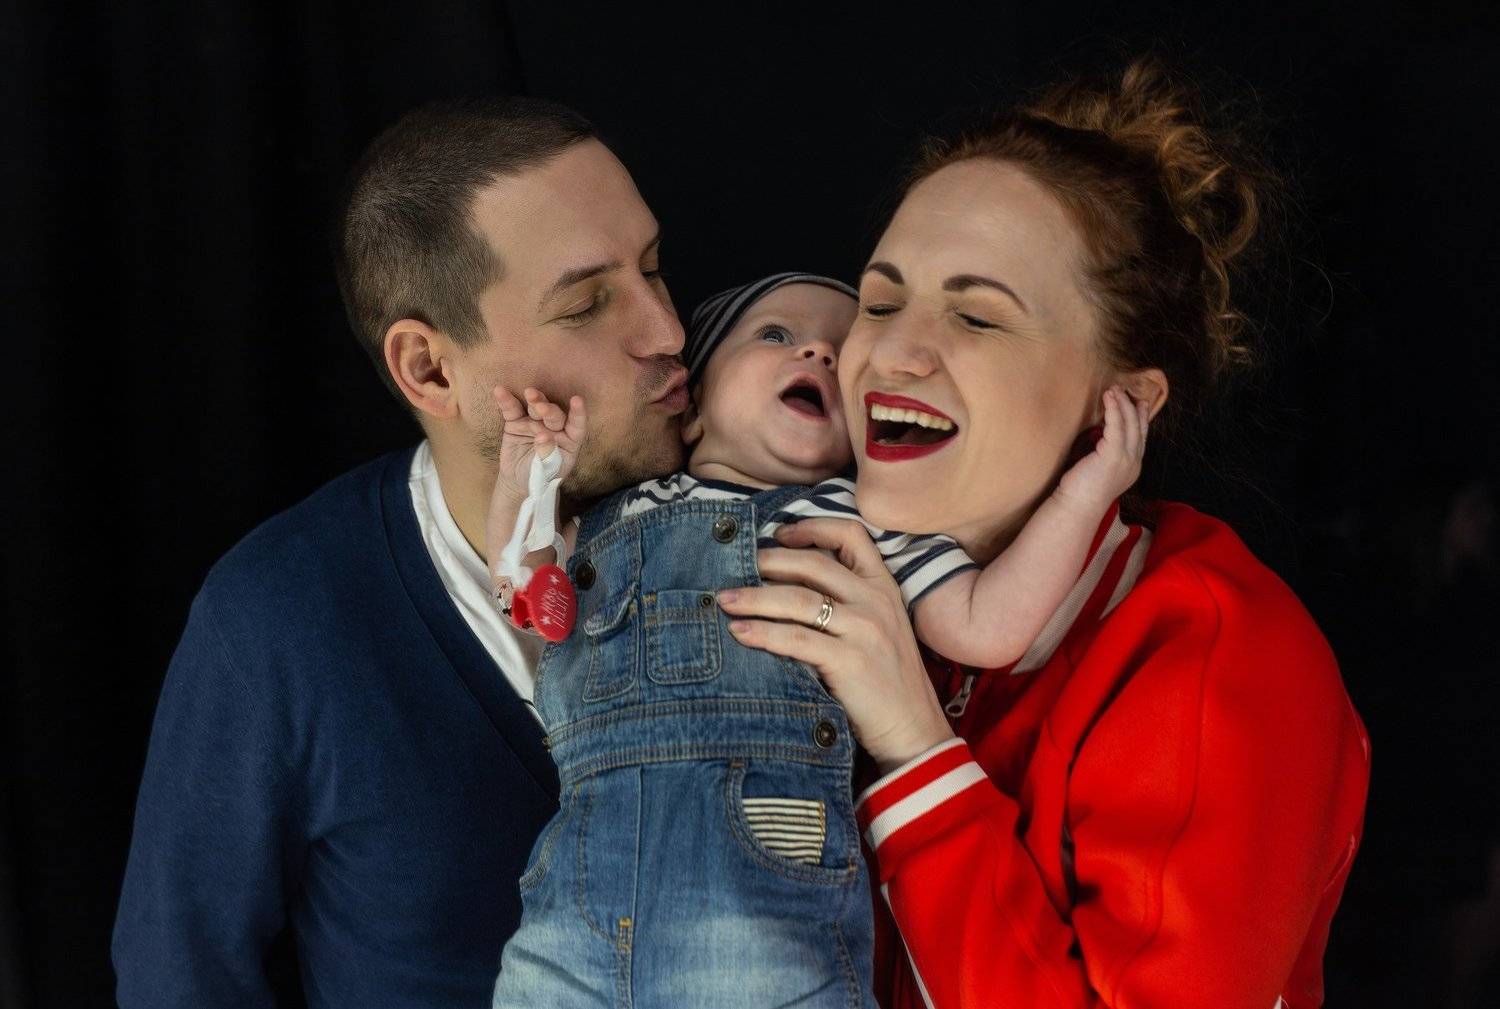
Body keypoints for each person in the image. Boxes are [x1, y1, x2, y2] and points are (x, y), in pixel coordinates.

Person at [716, 58, 1372, 1008]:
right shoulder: (799, 555)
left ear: (1120, 402)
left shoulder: (1220, 651)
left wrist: (912, 743)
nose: (892, 350)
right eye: (882, 301)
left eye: (978, 317)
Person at [111, 97, 686, 1008]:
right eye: (586, 305)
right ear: (429, 368)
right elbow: (180, 973)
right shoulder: (278, 620)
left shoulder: (749, 520)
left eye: (654, 268)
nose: (668, 333)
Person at [481, 272, 1146, 1007]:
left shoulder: (861, 520)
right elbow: (522, 589)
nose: (820, 354)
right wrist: (526, 482)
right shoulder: (618, 512)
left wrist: (1084, 495)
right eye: (776, 335)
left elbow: (985, 625)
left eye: (843, 354)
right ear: (692, 407)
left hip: (765, 886)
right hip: (573, 900)